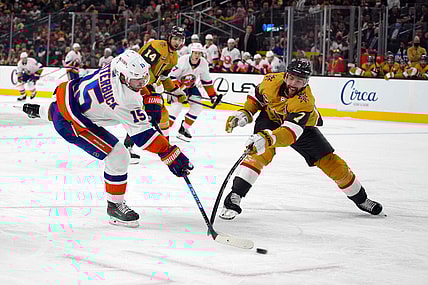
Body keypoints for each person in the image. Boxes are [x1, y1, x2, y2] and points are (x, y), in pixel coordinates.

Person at [20, 50, 193, 228]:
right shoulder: (124, 100)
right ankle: (115, 206)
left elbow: (140, 82)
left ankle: (40, 111)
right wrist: (170, 153)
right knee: (118, 156)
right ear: (123, 76)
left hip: (69, 96)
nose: (142, 83)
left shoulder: (120, 62)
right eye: (137, 81)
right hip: (72, 123)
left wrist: (148, 95)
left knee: (63, 111)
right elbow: (143, 137)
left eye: (144, 78)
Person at [219, 59, 383, 220]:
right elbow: (256, 98)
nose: (293, 84)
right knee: (259, 154)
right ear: (285, 76)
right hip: (270, 118)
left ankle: (361, 199)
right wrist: (245, 113)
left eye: (299, 81)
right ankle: (235, 196)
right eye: (291, 78)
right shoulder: (270, 80)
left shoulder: (305, 101)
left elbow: (290, 133)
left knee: (332, 163)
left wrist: (267, 138)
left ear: (306, 82)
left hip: (301, 127)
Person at [124, 26, 187, 163]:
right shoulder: (157, 46)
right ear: (169, 37)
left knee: (162, 114)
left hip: (148, 85)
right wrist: (152, 84)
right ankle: (127, 149)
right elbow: (141, 66)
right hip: (136, 82)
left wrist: (175, 91)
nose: (177, 42)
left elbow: (164, 77)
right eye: (175, 38)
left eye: (180, 40)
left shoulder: (174, 57)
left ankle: (166, 145)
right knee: (143, 115)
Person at [168, 43, 218, 142]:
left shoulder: (203, 63)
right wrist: (180, 91)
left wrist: (213, 96)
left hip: (191, 86)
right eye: (195, 53)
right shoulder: (182, 60)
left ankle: (184, 128)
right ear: (191, 52)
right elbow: (171, 77)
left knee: (197, 107)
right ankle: (163, 132)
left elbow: (206, 81)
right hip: (177, 87)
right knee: (176, 108)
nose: (197, 55)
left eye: (199, 53)